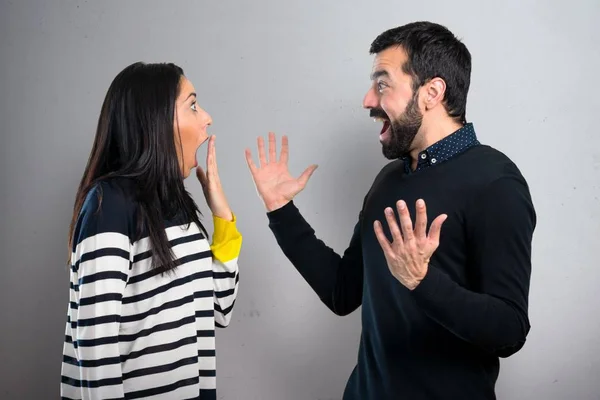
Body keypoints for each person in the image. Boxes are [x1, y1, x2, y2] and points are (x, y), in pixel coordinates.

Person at [245, 21, 536, 399]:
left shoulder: (495, 183)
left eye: (382, 84)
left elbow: (509, 330)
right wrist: (281, 210)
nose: (368, 99)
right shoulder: (388, 180)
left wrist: (422, 282)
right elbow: (342, 292)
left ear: (431, 92)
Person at [60, 62, 242, 400]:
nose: (207, 117)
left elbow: (221, 307)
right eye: (192, 105)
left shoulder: (178, 204)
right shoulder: (109, 205)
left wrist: (221, 213)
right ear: (154, 121)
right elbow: (95, 356)